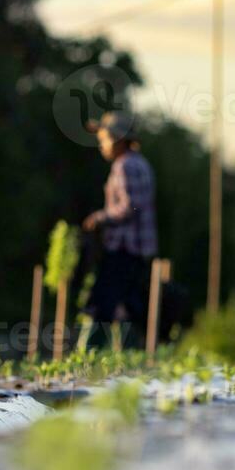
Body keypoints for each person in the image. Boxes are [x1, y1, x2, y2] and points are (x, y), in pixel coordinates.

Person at [81, 110, 157, 348]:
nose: (101, 144)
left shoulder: (124, 166)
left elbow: (130, 207)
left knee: (101, 303)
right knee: (128, 306)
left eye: (103, 139)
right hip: (138, 250)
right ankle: (128, 364)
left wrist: (100, 218)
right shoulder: (141, 163)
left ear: (116, 139)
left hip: (123, 248)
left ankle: (86, 360)